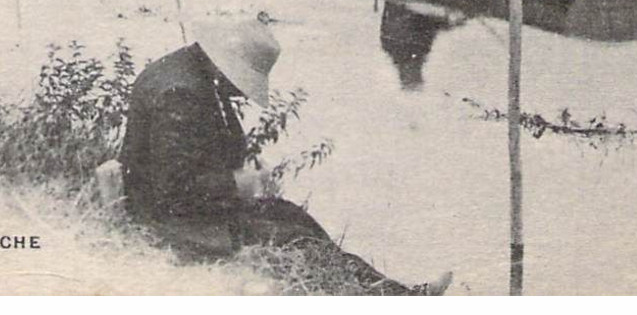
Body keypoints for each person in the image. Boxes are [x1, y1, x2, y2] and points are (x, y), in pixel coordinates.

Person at [119, 17, 451, 295]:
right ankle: (393, 297)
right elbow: (172, 192)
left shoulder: (191, 71)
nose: (241, 91)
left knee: (292, 215)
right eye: (243, 79)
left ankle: (393, 293)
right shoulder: (182, 92)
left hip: (187, 208)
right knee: (294, 238)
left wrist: (241, 171)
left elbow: (196, 155)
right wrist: (236, 183)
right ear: (226, 63)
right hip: (167, 221)